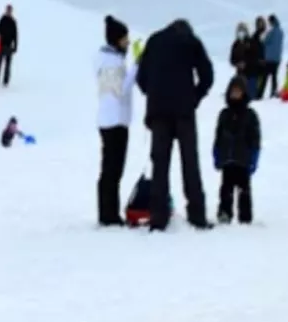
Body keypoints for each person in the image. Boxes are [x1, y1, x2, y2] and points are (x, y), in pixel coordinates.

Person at [136, 18, 215, 231]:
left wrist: (153, 94)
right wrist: (194, 97)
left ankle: (158, 217)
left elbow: (141, 76)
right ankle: (197, 215)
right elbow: (207, 75)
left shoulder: (154, 41)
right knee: (190, 163)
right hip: (184, 113)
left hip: (159, 113)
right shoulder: (190, 41)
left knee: (160, 165)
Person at [95, 15, 139, 226]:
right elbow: (120, 90)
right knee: (111, 170)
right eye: (124, 39)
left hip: (118, 120)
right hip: (112, 122)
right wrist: (136, 67)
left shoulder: (115, 59)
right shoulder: (109, 62)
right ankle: (107, 214)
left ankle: (110, 212)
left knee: (114, 170)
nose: (128, 43)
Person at [213, 77, 261, 225]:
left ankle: (245, 216)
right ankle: (224, 213)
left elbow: (255, 138)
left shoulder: (250, 115)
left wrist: (254, 156)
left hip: (243, 159)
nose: (235, 94)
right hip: (227, 158)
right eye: (233, 91)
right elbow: (219, 135)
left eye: (238, 91)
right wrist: (216, 153)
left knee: (244, 189)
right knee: (225, 188)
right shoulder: (224, 114)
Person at [259, 14, 284, 98]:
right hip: (277, 58)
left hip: (269, 58)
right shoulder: (281, 32)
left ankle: (260, 94)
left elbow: (265, 41)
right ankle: (273, 93)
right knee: (274, 77)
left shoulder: (271, 32)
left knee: (265, 77)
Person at [0, 5, 18, 87]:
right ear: (6, 10)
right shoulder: (2, 19)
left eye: (10, 10)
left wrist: (15, 46)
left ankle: (6, 81)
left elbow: (15, 35)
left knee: (8, 65)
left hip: (9, 46)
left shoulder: (13, 22)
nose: (9, 12)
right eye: (8, 10)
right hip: (1, 45)